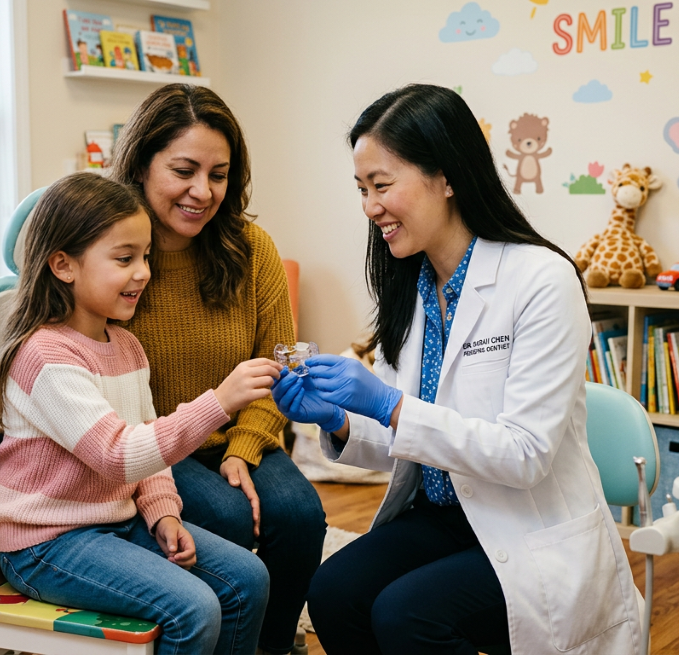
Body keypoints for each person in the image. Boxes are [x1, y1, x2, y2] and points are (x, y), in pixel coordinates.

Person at [273, 85, 643, 655]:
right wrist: (341, 420)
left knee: (406, 615)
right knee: (333, 591)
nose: (370, 207)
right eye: (362, 189)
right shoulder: (414, 287)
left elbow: (525, 454)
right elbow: (404, 439)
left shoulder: (541, 280)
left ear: (445, 178)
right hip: (447, 514)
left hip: (528, 525)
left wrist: (388, 404)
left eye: (382, 185)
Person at [0, 172, 281, 654]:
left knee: (248, 577)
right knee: (194, 609)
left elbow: (149, 457)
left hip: (114, 523)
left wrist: (163, 514)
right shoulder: (46, 358)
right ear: (63, 265)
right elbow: (120, 455)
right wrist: (219, 402)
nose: (142, 271)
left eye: (145, 257)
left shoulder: (125, 345)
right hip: (46, 545)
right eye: (124, 259)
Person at [111, 84, 327, 655]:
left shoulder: (252, 248)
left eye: (219, 174)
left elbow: (277, 365)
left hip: (233, 434)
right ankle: (220, 635)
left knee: (301, 514)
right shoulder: (111, 254)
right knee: (229, 518)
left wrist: (244, 448)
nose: (202, 192)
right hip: (155, 448)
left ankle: (274, 643)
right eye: (183, 170)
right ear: (139, 165)